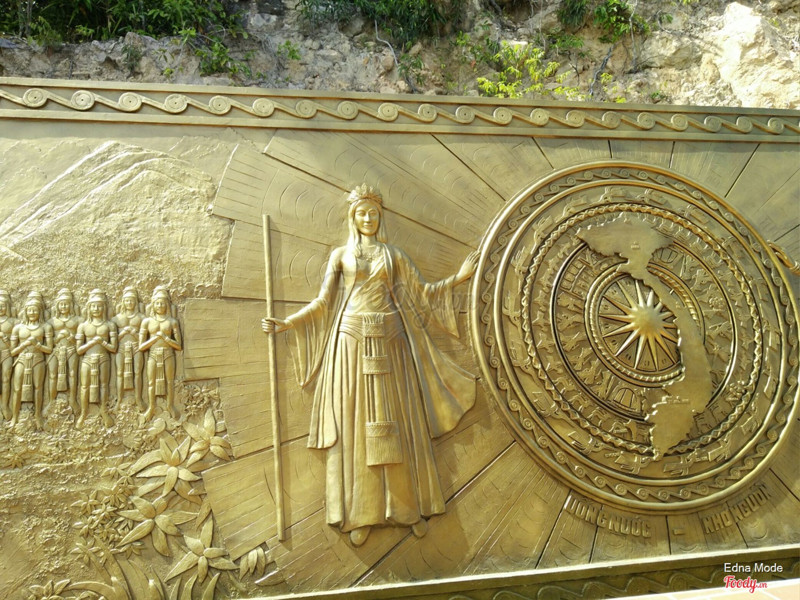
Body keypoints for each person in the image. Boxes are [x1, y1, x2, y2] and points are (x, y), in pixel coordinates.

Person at [262, 184, 478, 547]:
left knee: (400, 422)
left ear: (380, 217)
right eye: (362, 213)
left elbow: (421, 292)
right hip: (351, 342)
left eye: (373, 213)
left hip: (392, 340)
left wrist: (459, 277)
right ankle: (359, 514)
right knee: (355, 424)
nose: (368, 218)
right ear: (353, 217)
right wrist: (288, 323)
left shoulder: (394, 255)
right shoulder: (340, 256)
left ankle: (409, 510)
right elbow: (323, 302)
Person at [138, 286, 182, 421]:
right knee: (151, 382)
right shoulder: (147, 322)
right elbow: (141, 346)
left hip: (168, 353)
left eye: (162, 303)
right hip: (153, 354)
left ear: (167, 305)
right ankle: (151, 406)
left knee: (170, 381)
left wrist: (165, 338)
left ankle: (170, 405)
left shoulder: (172, 322)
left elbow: (179, 346)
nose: (159, 306)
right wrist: (154, 339)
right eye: (157, 303)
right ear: (153, 304)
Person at [10, 293, 53, 429]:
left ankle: (38, 416)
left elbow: (49, 349)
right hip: (22, 359)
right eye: (29, 310)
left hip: (38, 359)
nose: (32, 313)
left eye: (35, 310)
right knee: (17, 388)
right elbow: (12, 352)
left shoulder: (45, 327)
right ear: (25, 312)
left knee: (38, 388)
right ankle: (15, 417)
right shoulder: (18, 328)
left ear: (40, 312)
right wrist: (23, 345)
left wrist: (37, 345)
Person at [76, 290, 118, 427]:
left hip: (103, 358)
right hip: (87, 359)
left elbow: (113, 348)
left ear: (104, 308)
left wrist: (103, 342)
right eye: (93, 306)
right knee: (84, 386)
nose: (96, 309)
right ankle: (84, 413)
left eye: (99, 306)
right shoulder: (83, 326)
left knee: (103, 385)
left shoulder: (109, 325)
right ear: (89, 308)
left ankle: (104, 411)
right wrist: (93, 342)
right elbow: (79, 350)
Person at [47, 289, 81, 417]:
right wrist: (58, 338)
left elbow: (82, 339)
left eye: (66, 304)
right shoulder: (51, 322)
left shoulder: (78, 320)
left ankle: (73, 399)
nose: (63, 306)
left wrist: (71, 337)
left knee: (72, 374)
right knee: (52, 375)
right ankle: (51, 401)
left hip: (72, 349)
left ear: (71, 305)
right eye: (61, 304)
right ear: (57, 305)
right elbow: (48, 342)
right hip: (56, 351)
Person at [112, 287, 145, 411]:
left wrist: (134, 333)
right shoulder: (116, 319)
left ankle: (138, 399)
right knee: (119, 373)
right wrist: (123, 333)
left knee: (138, 373)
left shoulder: (142, 318)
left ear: (135, 302)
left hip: (137, 348)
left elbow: (146, 338)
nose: (129, 303)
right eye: (127, 300)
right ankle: (119, 400)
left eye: (131, 300)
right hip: (121, 348)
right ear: (123, 302)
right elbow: (111, 339)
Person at [0, 291, 17, 421]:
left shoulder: (13, 322)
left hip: (7, 353)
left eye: (2, 306)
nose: (0, 308)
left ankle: (5, 405)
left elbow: (16, 344)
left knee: (6, 379)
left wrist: (5, 339)